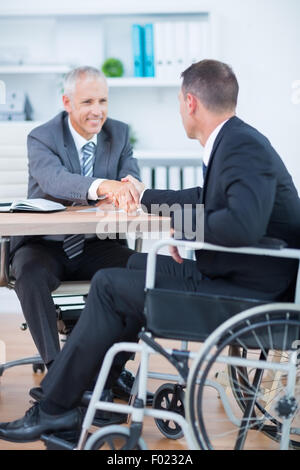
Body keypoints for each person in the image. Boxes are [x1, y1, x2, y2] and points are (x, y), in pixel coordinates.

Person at [1, 59, 300, 442]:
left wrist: (184, 232)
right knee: (134, 269)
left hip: (246, 296)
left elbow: (242, 225)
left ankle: (57, 407)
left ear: (190, 103)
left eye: (179, 102)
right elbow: (204, 201)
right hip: (239, 279)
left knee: (110, 285)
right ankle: (89, 389)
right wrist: (148, 197)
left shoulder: (241, 146)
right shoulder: (236, 140)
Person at [9, 66, 143, 403]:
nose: (97, 110)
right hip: (46, 246)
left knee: (145, 272)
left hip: (96, 244)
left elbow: (131, 177)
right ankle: (58, 376)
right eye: (87, 101)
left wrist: (132, 185)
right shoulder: (42, 137)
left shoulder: (119, 133)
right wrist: (104, 186)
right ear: (67, 101)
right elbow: (56, 181)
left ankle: (110, 373)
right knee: (28, 272)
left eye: (103, 100)